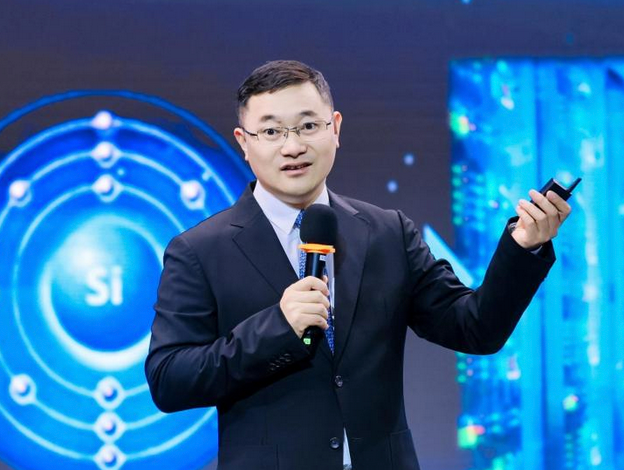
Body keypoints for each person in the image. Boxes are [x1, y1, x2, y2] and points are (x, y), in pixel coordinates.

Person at [145, 60, 572, 470]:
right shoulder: (200, 250)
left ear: (335, 128)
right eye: (272, 131)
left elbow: (474, 327)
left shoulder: (387, 232)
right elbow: (169, 379)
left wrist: (523, 247)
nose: (292, 146)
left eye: (308, 126)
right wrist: (277, 328)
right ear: (244, 141)